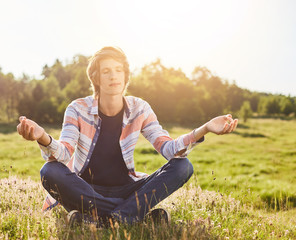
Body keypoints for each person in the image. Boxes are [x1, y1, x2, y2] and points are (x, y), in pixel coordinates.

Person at [17, 46, 238, 226]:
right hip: (86, 188)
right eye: (106, 71)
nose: (113, 76)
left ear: (125, 75)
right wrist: (43, 137)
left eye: (118, 70)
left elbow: (169, 149)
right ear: (96, 78)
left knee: (183, 166)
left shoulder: (139, 108)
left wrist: (205, 128)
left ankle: (101, 218)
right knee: (49, 171)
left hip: (127, 188)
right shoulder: (77, 109)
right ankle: (130, 215)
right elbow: (63, 154)